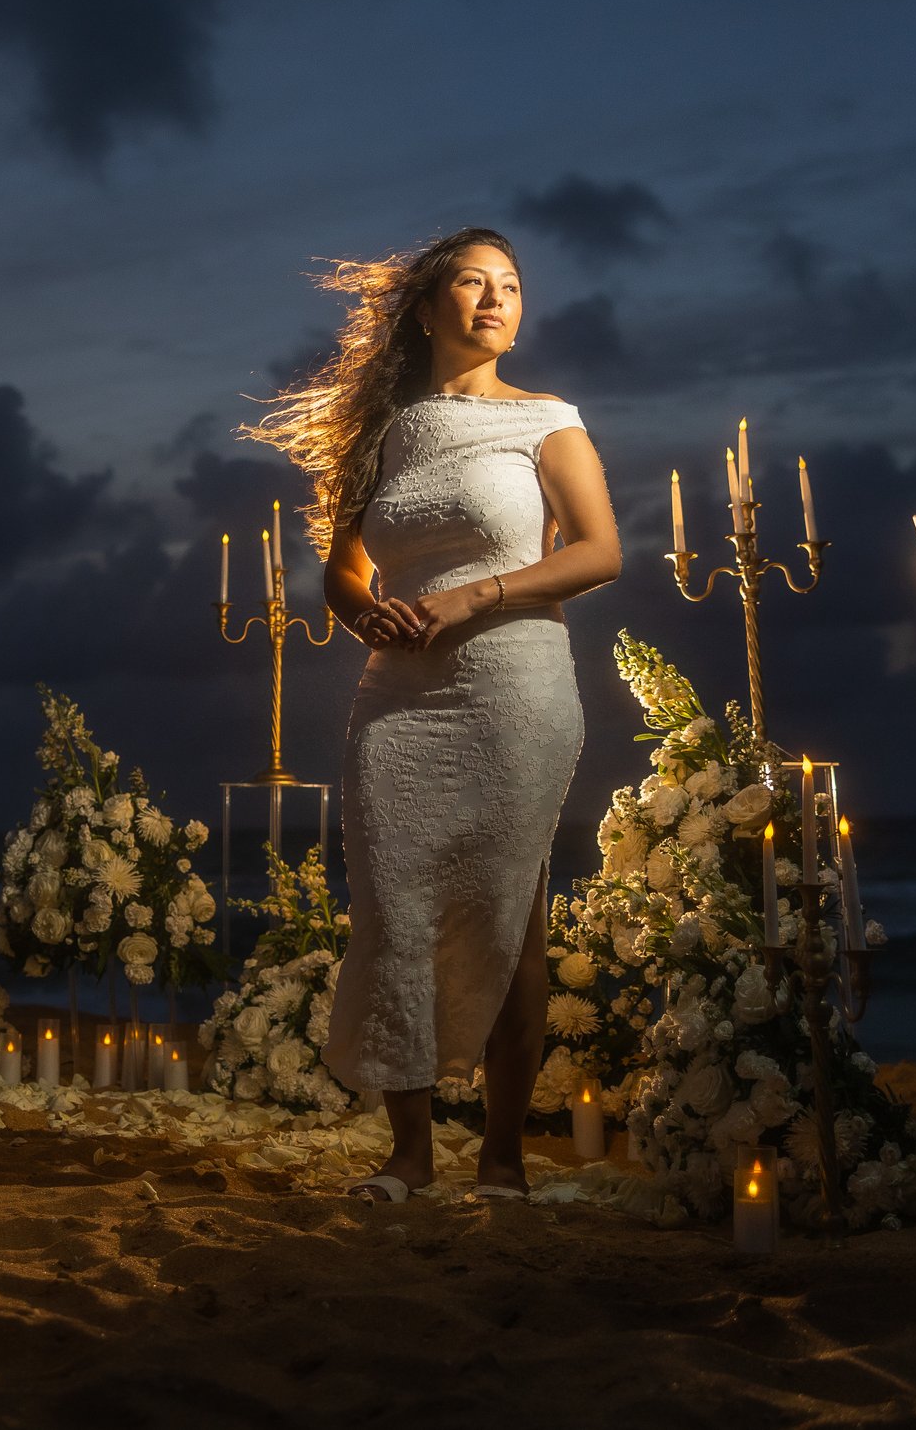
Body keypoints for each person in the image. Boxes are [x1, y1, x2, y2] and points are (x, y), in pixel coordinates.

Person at [244, 227, 619, 1204]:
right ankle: (407, 1155)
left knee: (509, 918)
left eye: (510, 284)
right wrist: (364, 609)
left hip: (512, 683)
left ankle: (500, 1154)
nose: (495, 298)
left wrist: (472, 597)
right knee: (394, 911)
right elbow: (343, 566)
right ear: (424, 307)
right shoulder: (381, 432)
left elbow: (598, 552)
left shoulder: (548, 420)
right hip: (397, 698)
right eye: (471, 281)